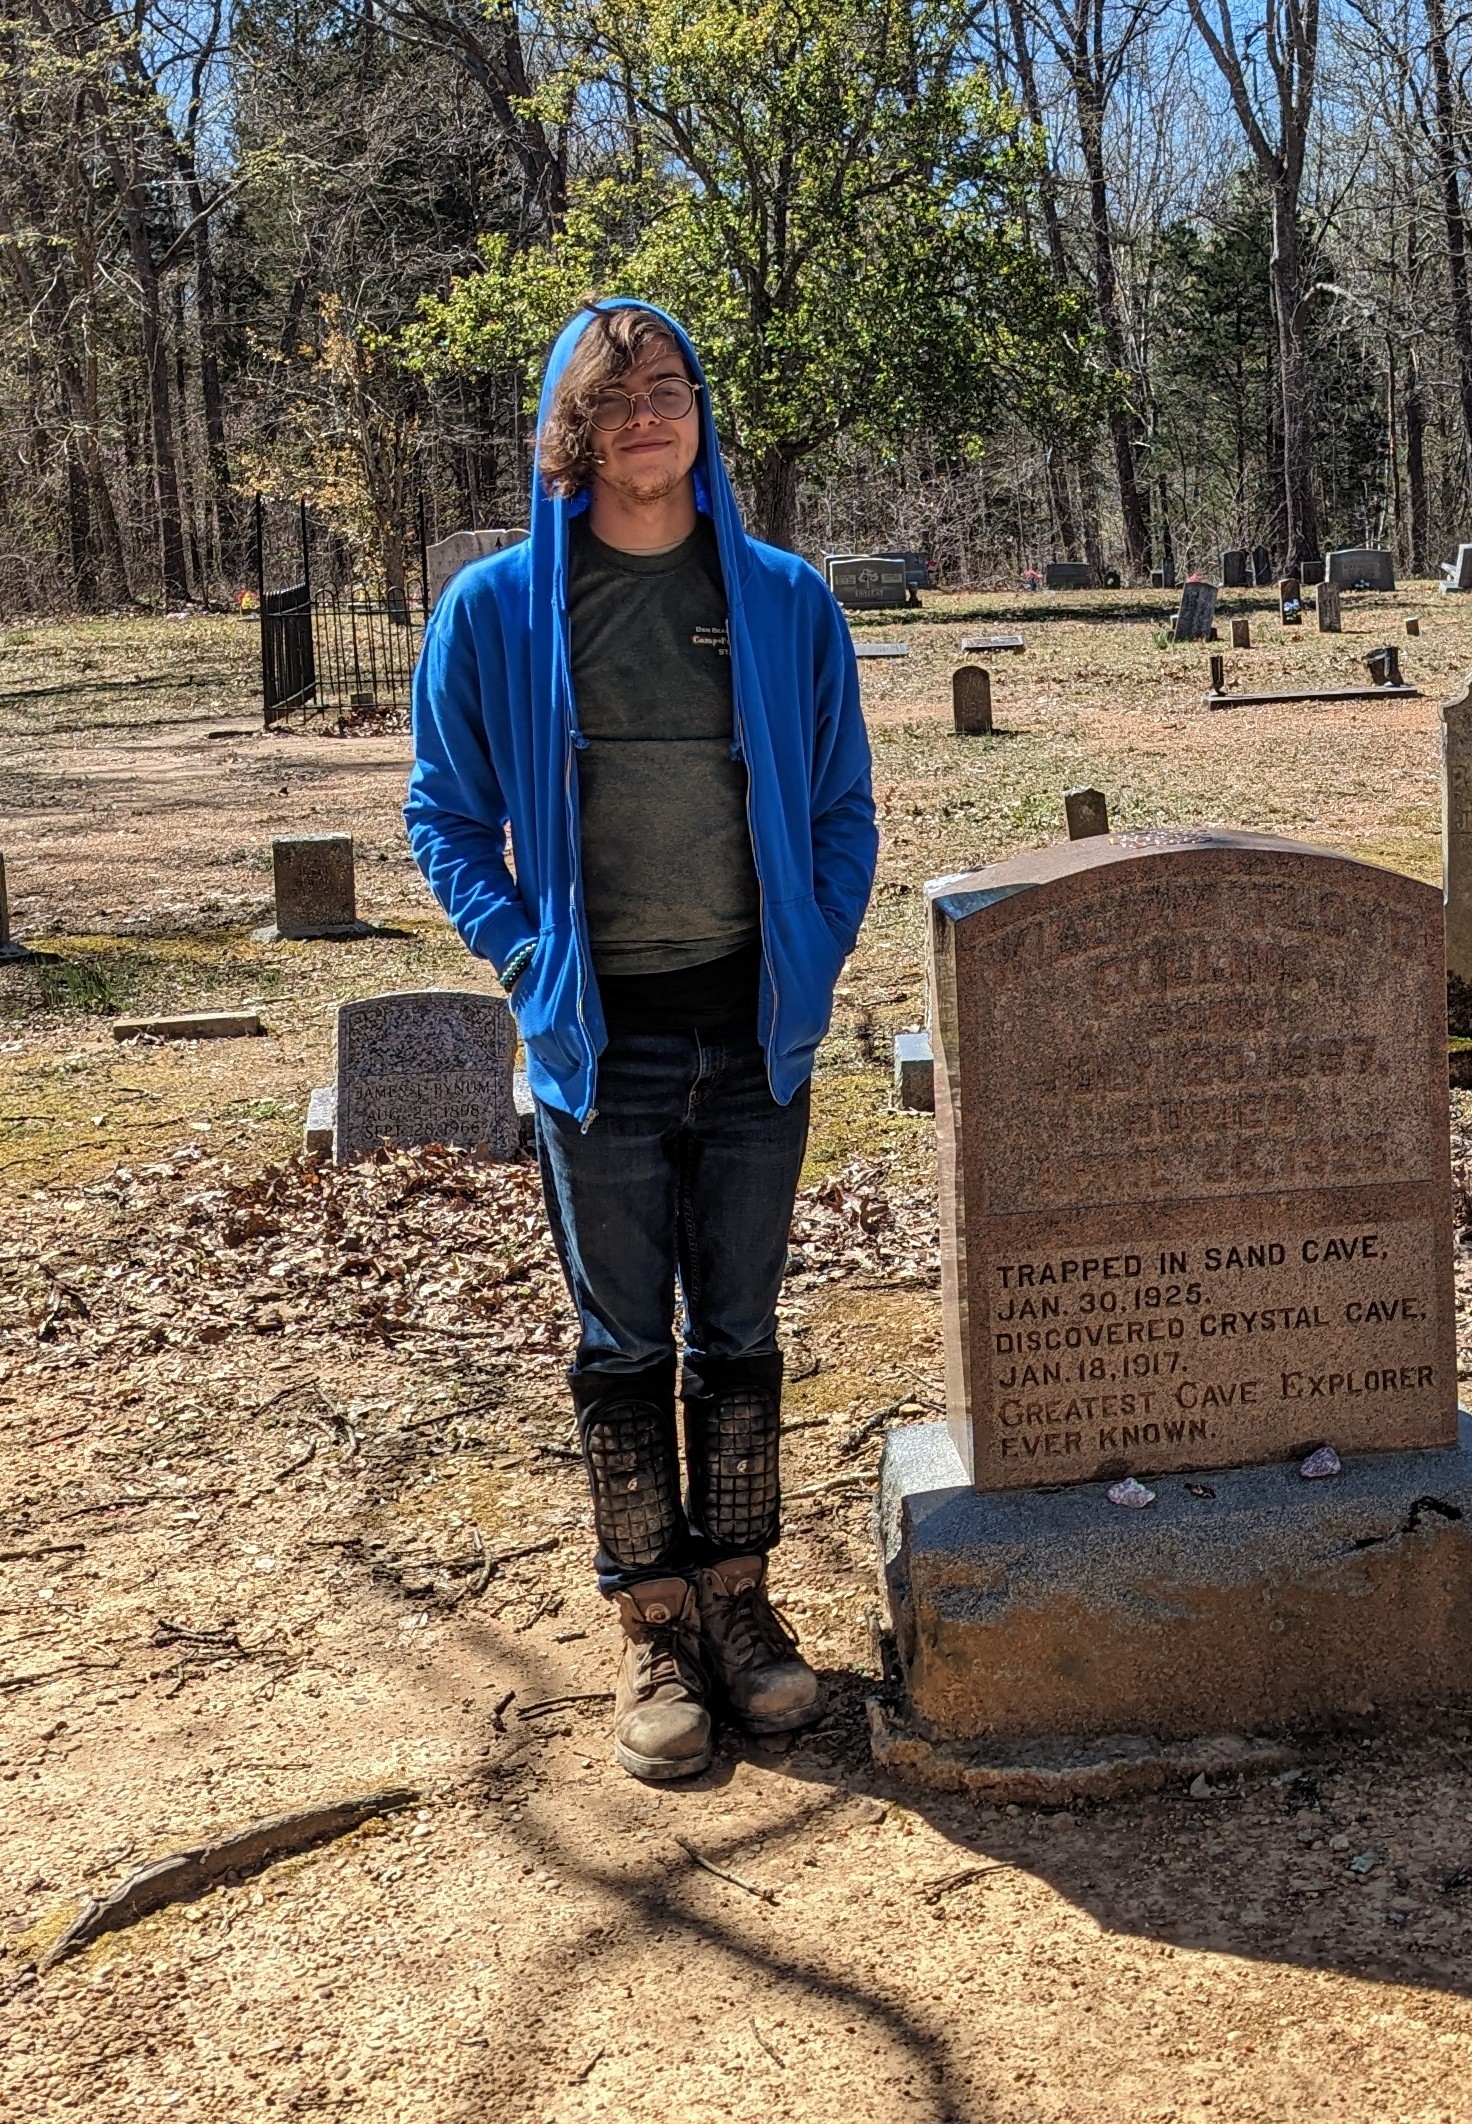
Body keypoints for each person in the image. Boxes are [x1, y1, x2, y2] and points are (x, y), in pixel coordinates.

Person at [405, 299, 877, 1783]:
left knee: (737, 1333)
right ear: (573, 428)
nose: (647, 415)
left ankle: (740, 1602)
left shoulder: (786, 599)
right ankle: (655, 1624)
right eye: (615, 397)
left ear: (698, 413)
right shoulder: (495, 609)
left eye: (668, 387)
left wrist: (813, 947)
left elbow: (842, 807)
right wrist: (527, 954)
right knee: (623, 1341)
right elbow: (443, 812)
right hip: (596, 1042)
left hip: (752, 1031)